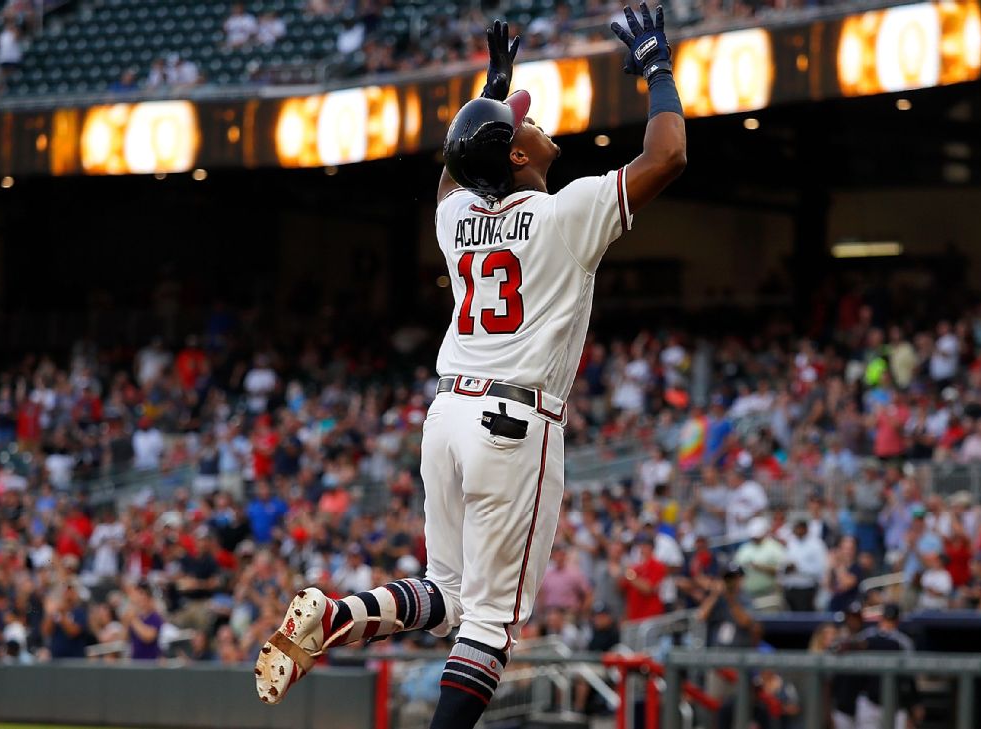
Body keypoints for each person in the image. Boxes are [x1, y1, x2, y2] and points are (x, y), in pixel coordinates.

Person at [254, 18, 685, 725]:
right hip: (515, 423)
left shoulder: (457, 223)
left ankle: (337, 613)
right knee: (488, 624)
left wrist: (492, 95)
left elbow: (456, 172)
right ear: (516, 157)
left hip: (449, 414)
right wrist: (656, 68)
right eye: (525, 124)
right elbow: (667, 154)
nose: (537, 125)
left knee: (447, 592)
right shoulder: (565, 213)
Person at [854, 603, 917, 729]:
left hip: (896, 703)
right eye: (886, 619)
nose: (888, 623)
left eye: (891, 620)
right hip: (869, 699)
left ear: (897, 621)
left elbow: (909, 677)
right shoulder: (866, 637)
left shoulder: (903, 642)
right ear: (881, 618)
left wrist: (912, 704)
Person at [782, 519, 827, 612]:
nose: (797, 531)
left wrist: (799, 568)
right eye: (796, 528)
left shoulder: (816, 544)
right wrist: (785, 568)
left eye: (799, 528)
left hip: (807, 588)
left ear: (805, 529)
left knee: (805, 618)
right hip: (790, 587)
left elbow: (820, 569)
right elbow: (784, 562)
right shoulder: (791, 542)